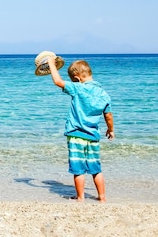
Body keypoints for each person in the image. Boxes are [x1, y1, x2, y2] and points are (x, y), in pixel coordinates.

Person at [47, 55, 114, 202]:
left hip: (76, 134)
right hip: (93, 136)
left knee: (78, 169)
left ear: (77, 79)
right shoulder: (104, 94)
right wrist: (110, 129)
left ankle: (80, 197)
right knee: (96, 168)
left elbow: (58, 81)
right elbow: (108, 116)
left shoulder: (78, 88)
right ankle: (102, 197)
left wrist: (51, 64)